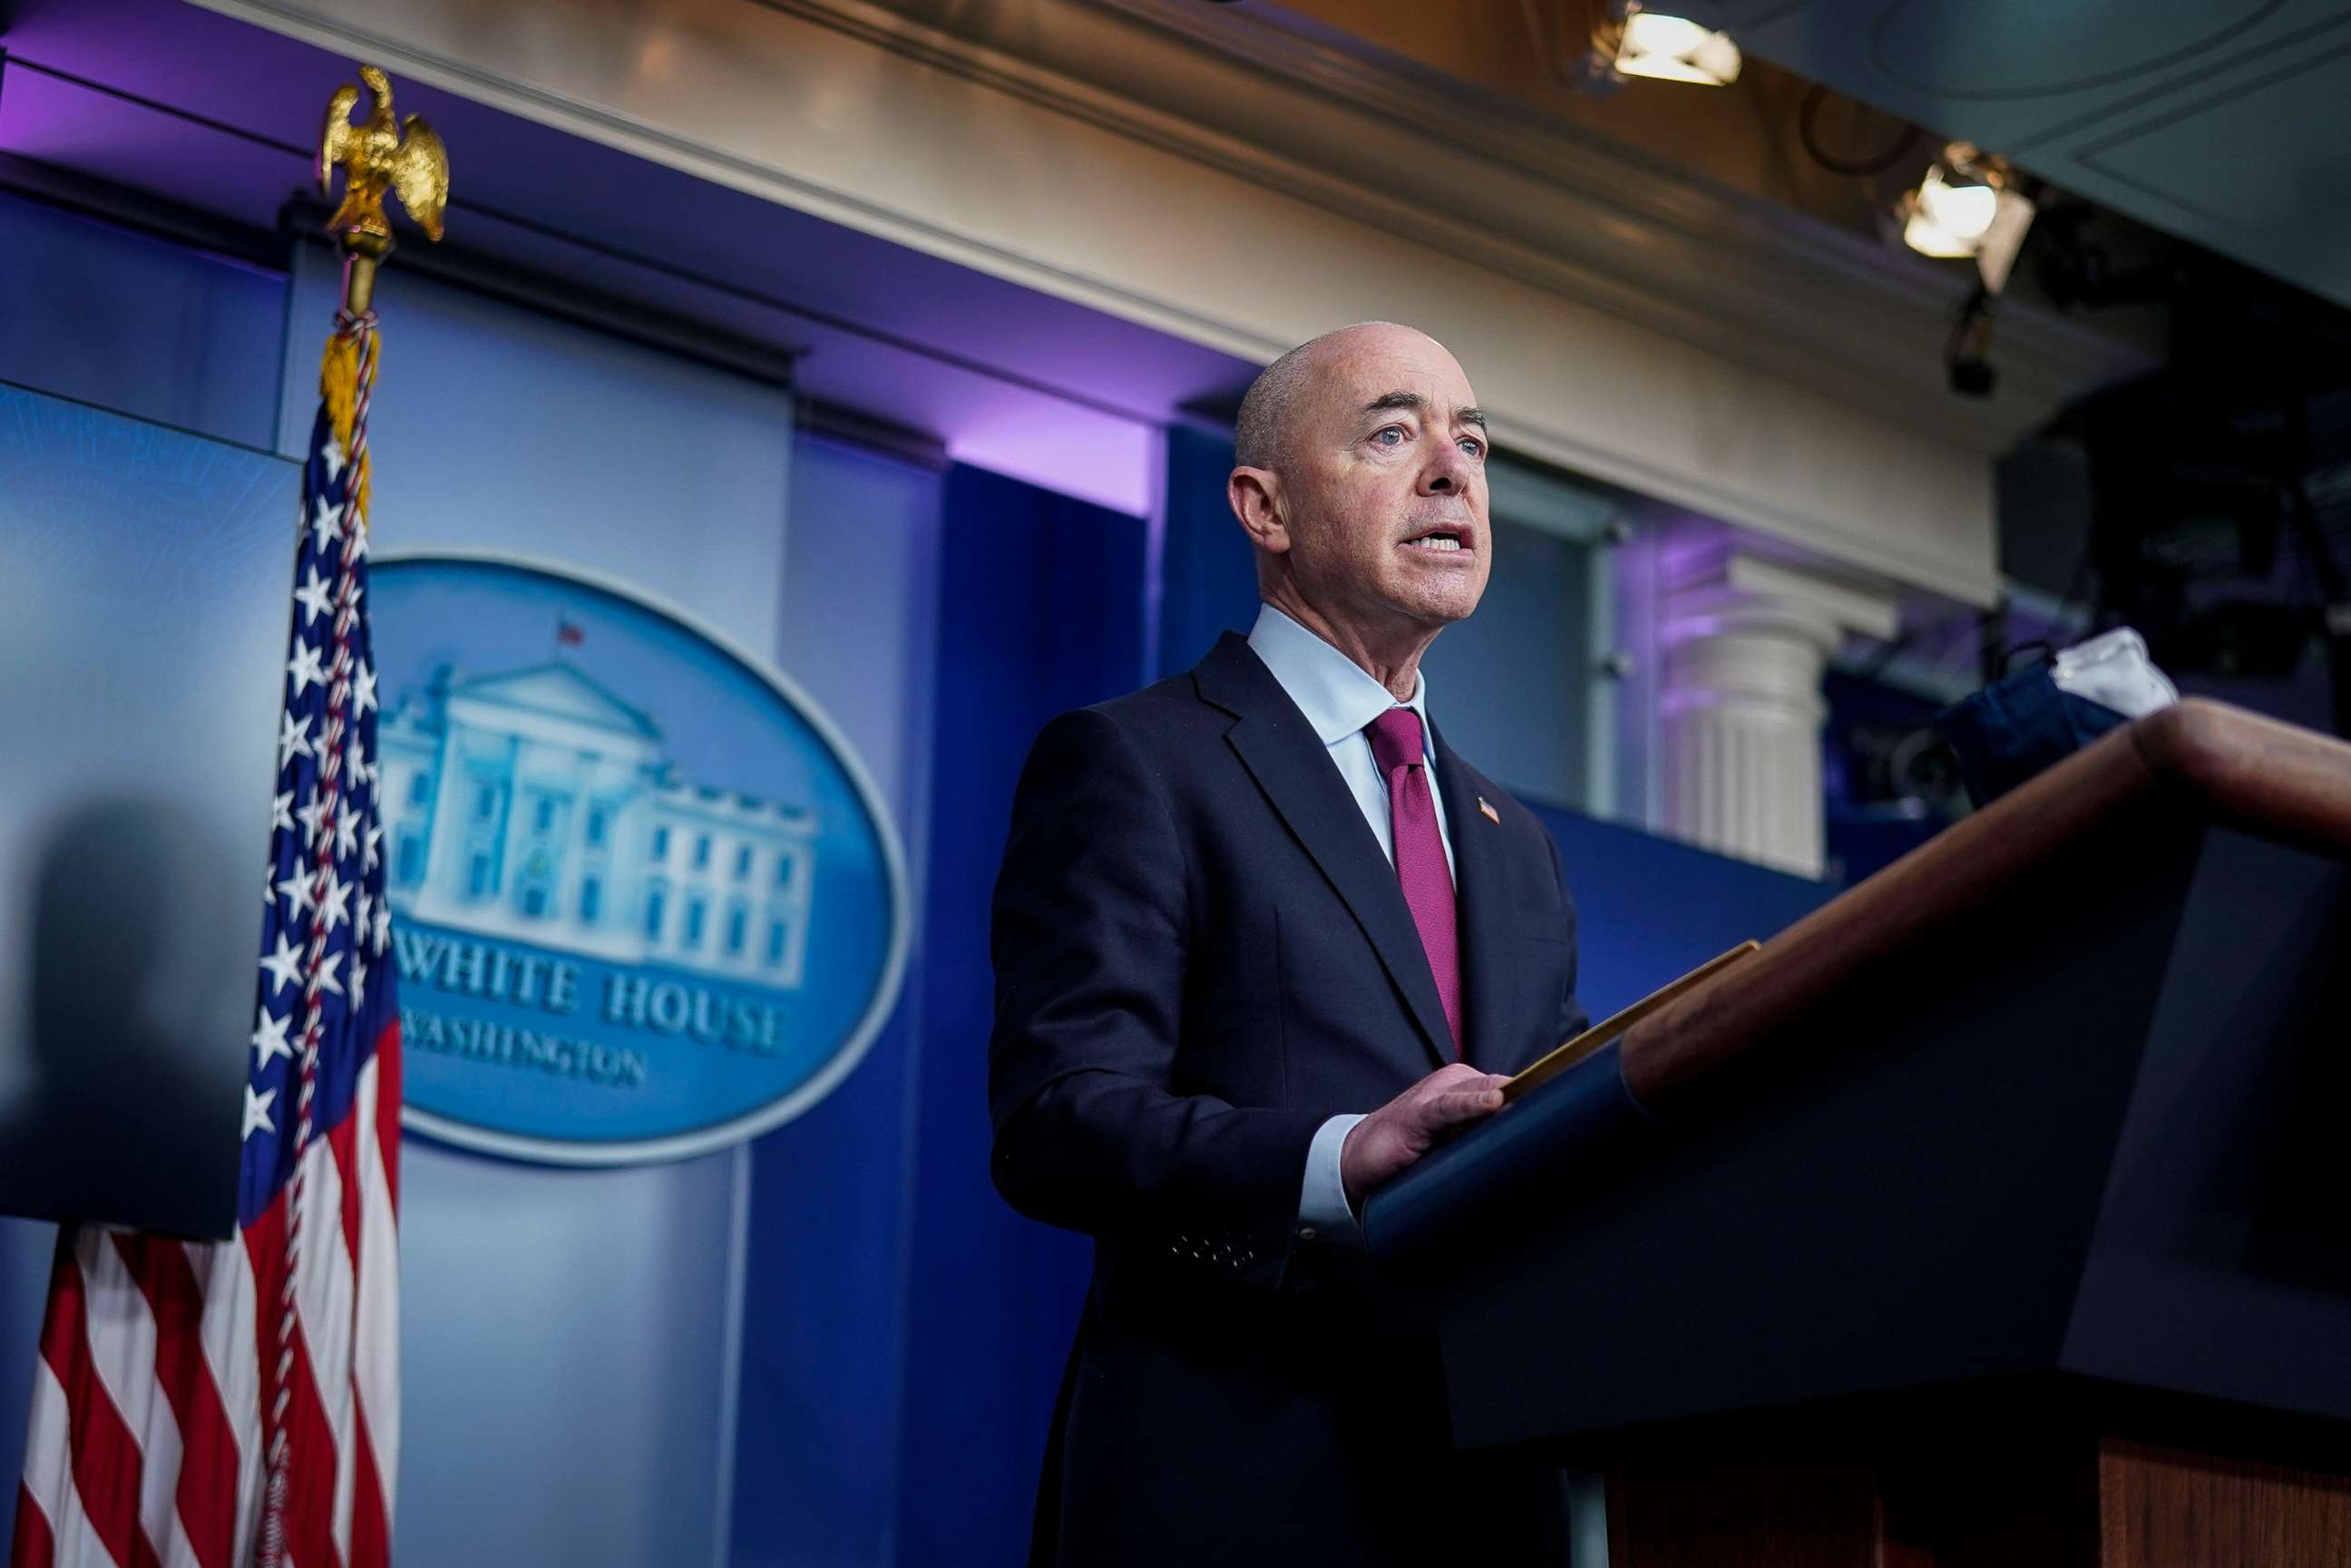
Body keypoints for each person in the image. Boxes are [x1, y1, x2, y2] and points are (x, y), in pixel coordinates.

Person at [989, 322, 1588, 1565]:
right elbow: (1059, 1114)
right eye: (1393, 432)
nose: (1452, 471)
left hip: (1485, 1497)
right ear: (1263, 506)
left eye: (1471, 441)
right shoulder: (1139, 760)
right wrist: (1336, 1160)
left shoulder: (1512, 839)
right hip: (1231, 1488)